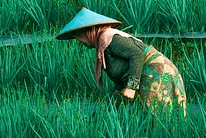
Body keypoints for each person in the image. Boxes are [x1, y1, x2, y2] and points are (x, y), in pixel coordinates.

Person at [56, 7, 186, 114]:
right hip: (149, 73)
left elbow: (137, 54)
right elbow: (122, 73)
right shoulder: (103, 45)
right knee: (148, 118)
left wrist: (131, 87)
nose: (80, 41)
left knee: (160, 118)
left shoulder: (110, 38)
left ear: (91, 31)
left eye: (80, 37)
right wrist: (111, 106)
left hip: (156, 71)